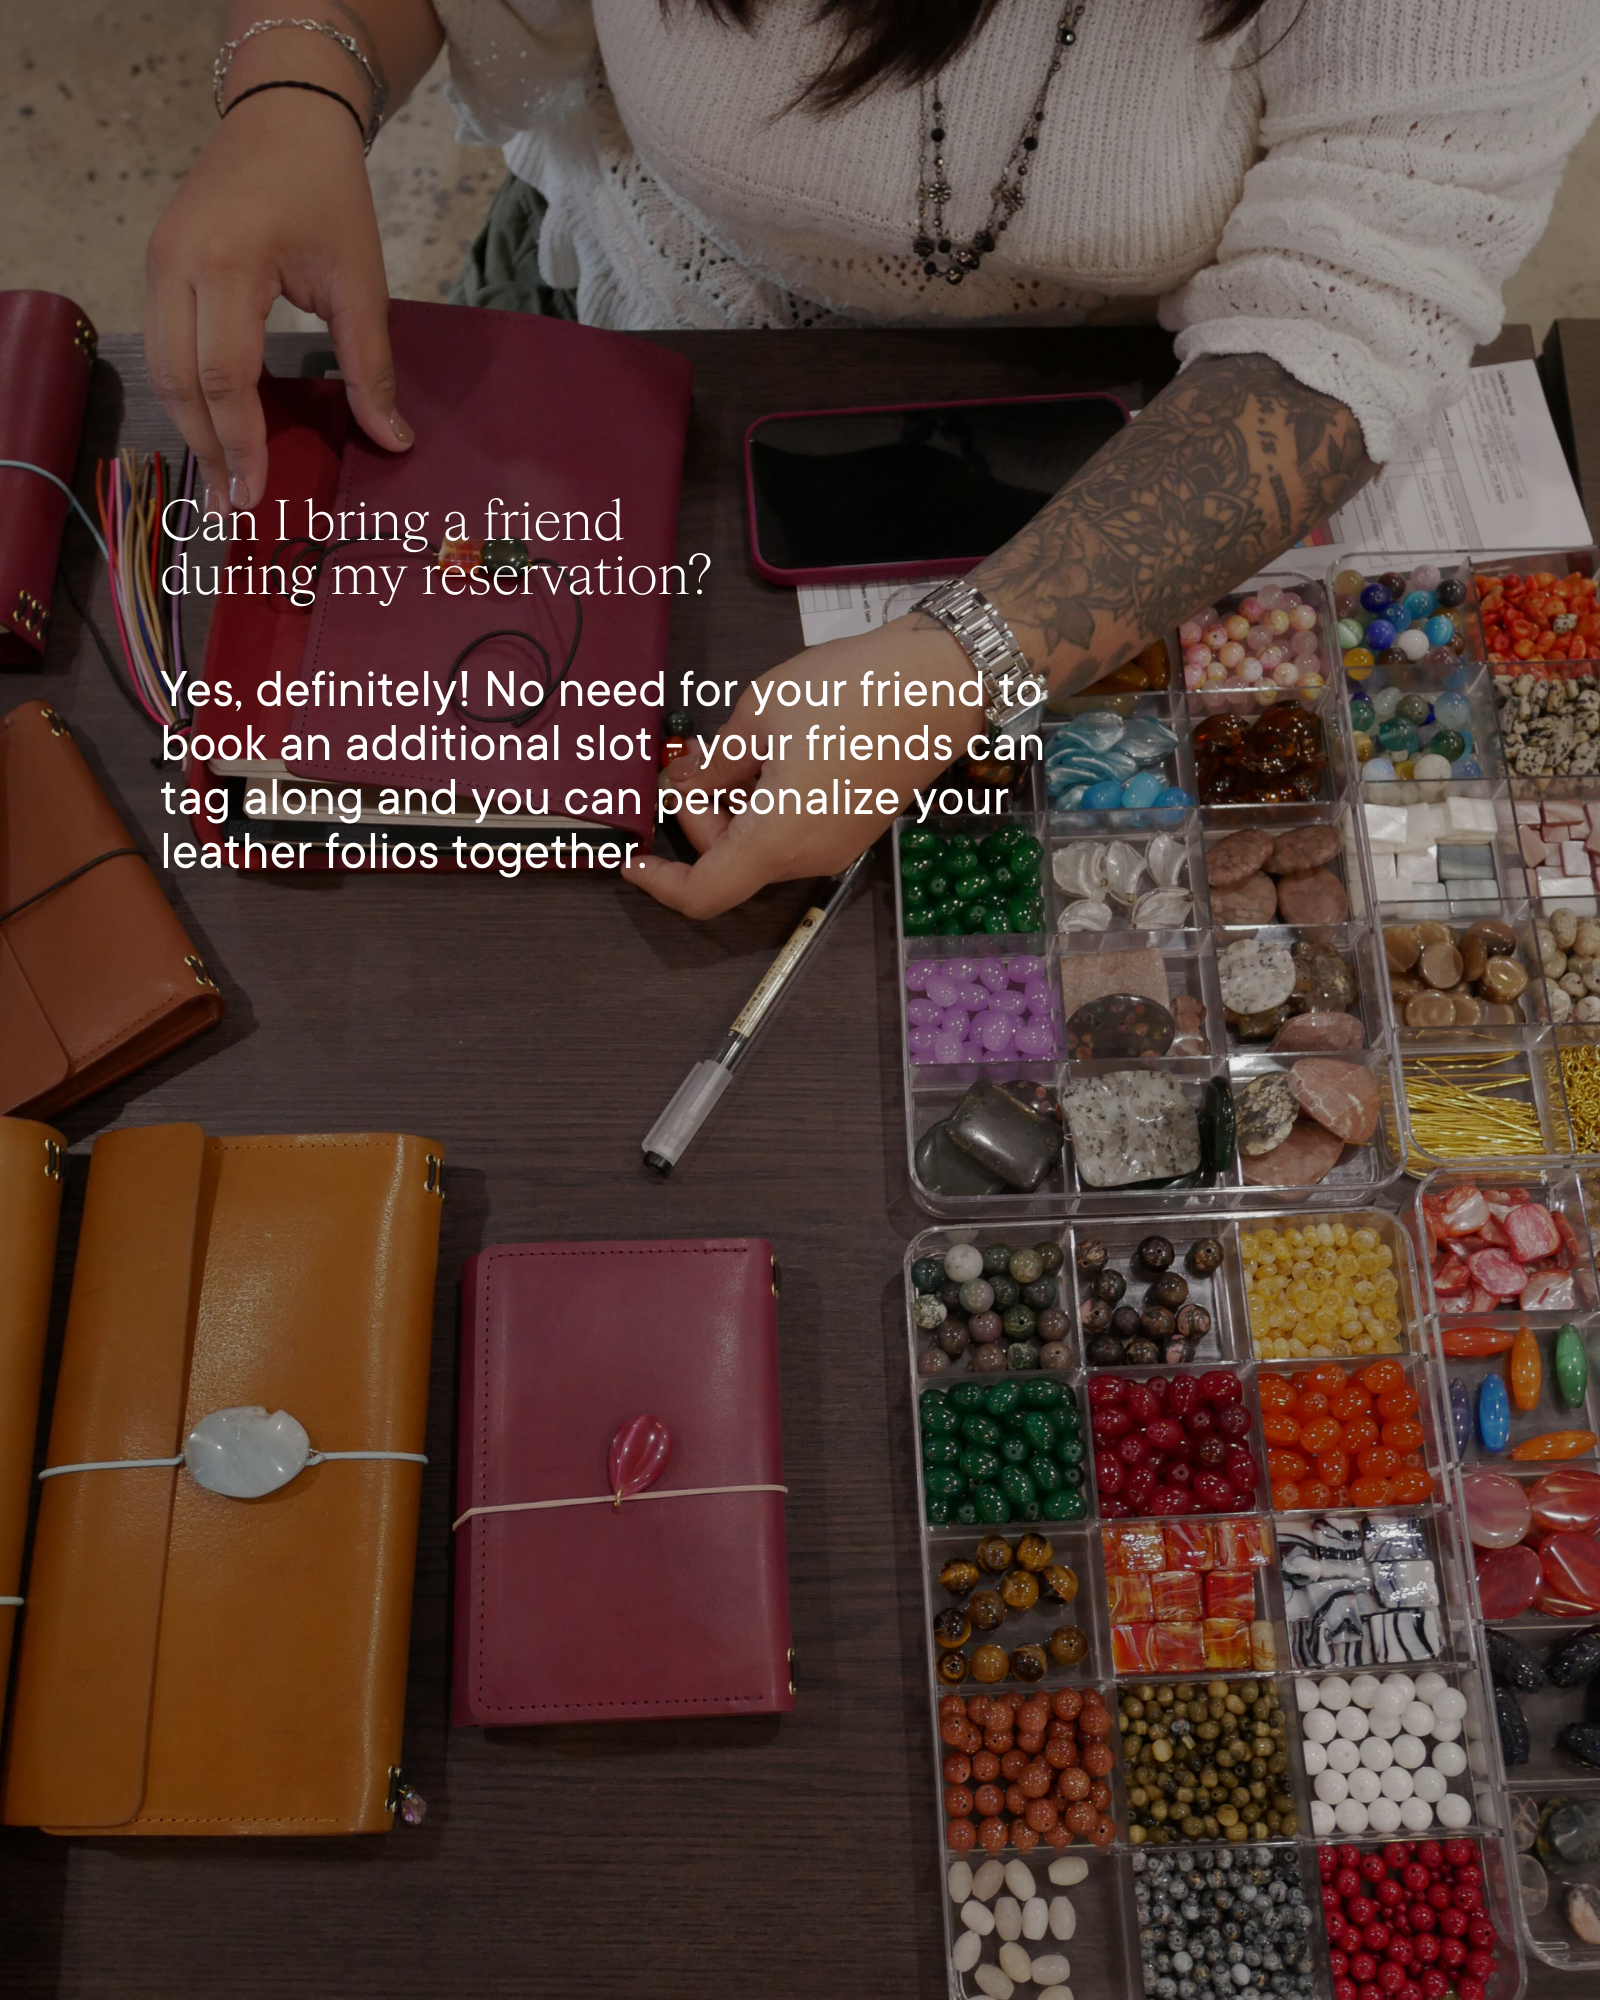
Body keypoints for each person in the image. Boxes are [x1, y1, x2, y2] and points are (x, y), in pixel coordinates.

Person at [148, 1, 1600, 915]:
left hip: (1124, 412)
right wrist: (296, 90)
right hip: (630, 333)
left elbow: (1351, 313)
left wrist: (953, 668)